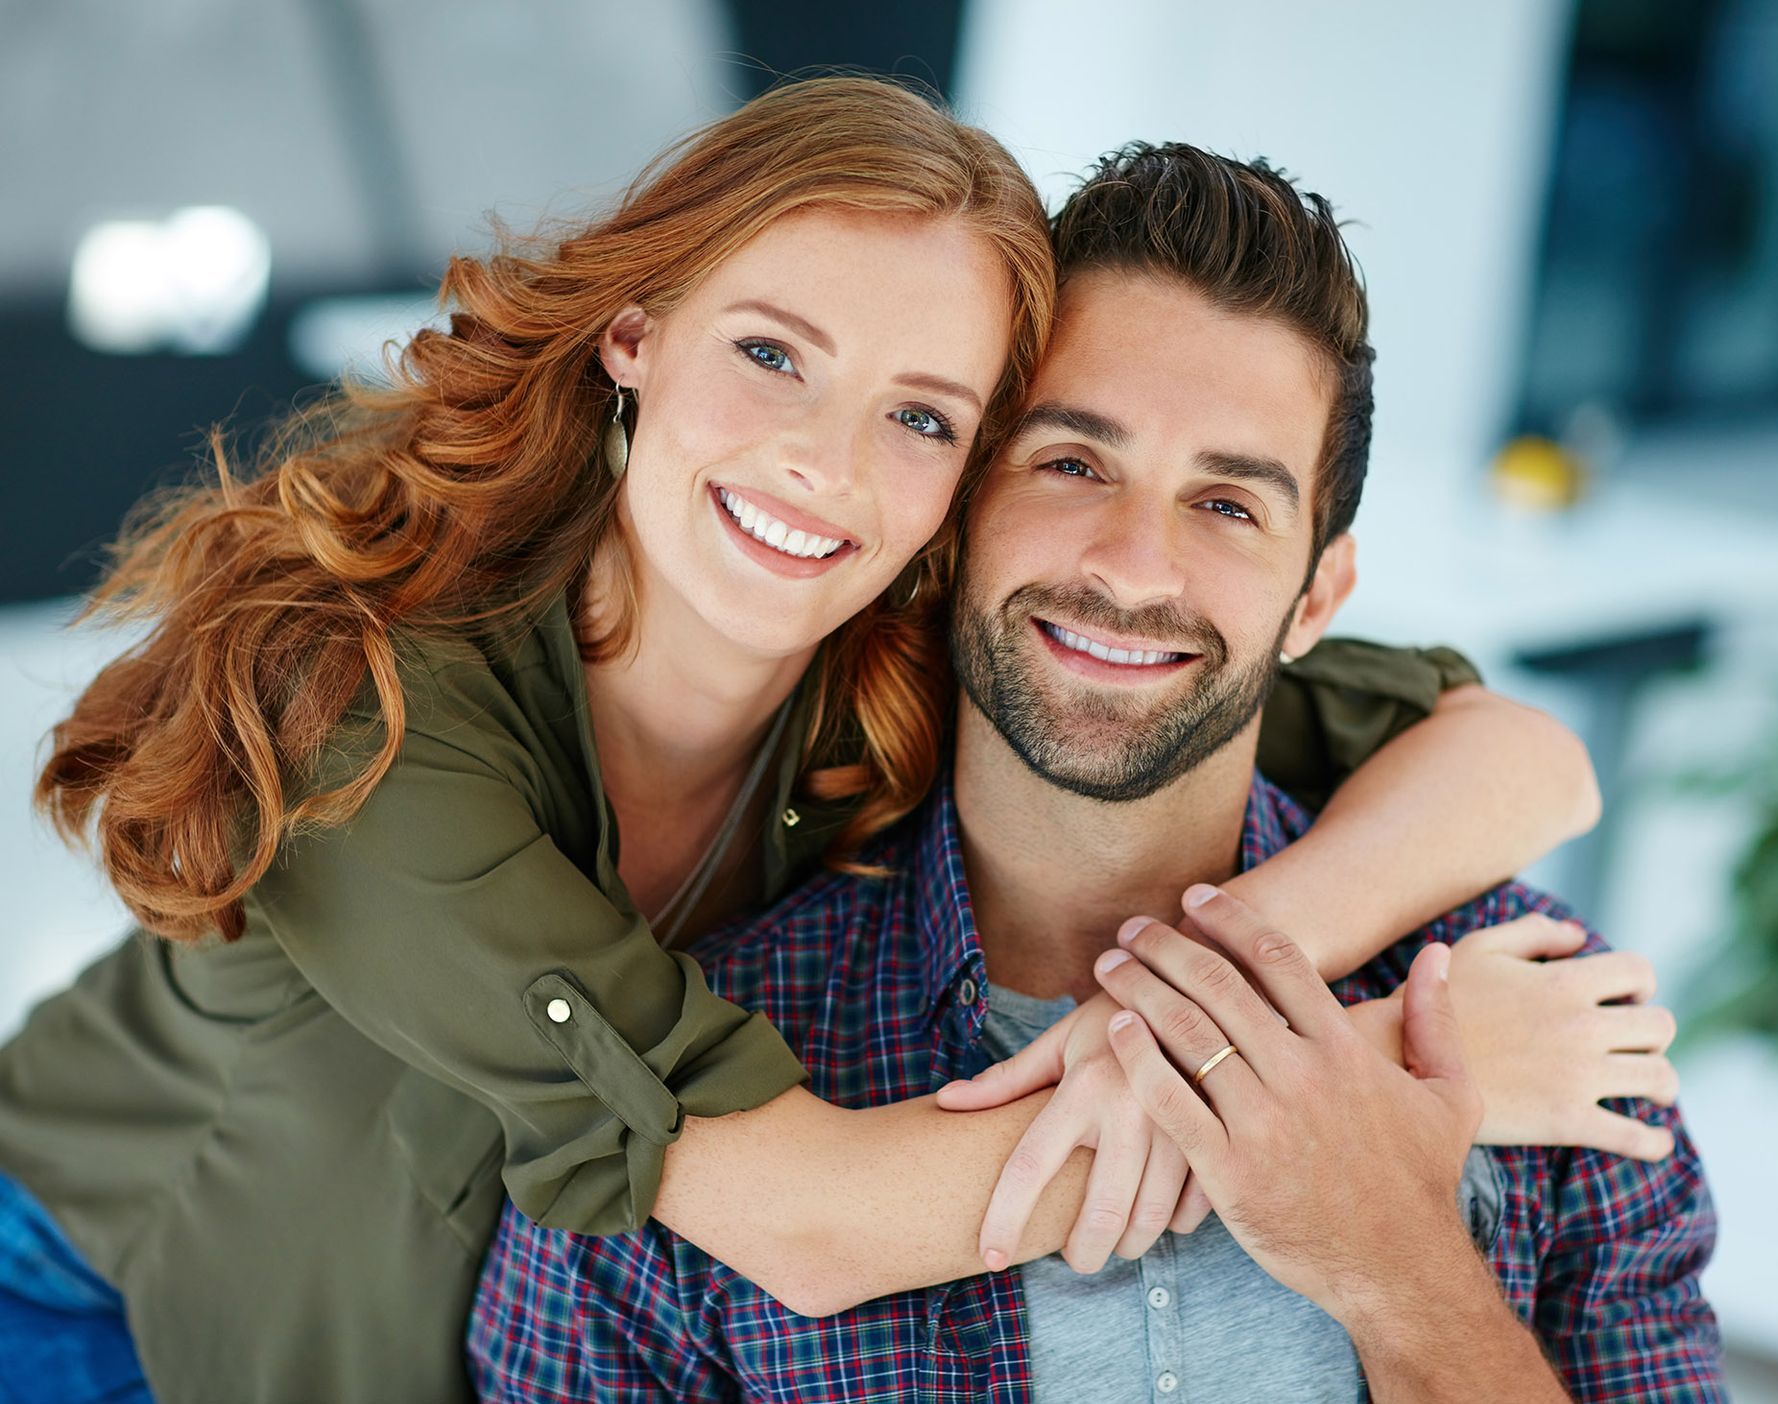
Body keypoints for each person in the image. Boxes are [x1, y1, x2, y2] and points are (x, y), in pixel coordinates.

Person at [0, 83, 1605, 1404]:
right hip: (102, 1289)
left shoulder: (936, 640)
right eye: (772, 355)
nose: (824, 465)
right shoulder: (364, 714)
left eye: (921, 416)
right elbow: (816, 1226)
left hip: (468, 1309)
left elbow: (1517, 756)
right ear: (635, 333)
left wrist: (1235, 975)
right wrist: (1374, 1086)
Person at [468, 144, 1723, 1401]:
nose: (1132, 567)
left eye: (1228, 505)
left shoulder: (1542, 1015)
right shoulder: (715, 1087)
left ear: (1317, 598)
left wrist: (1400, 1267)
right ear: (954, 514)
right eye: (1072, 463)